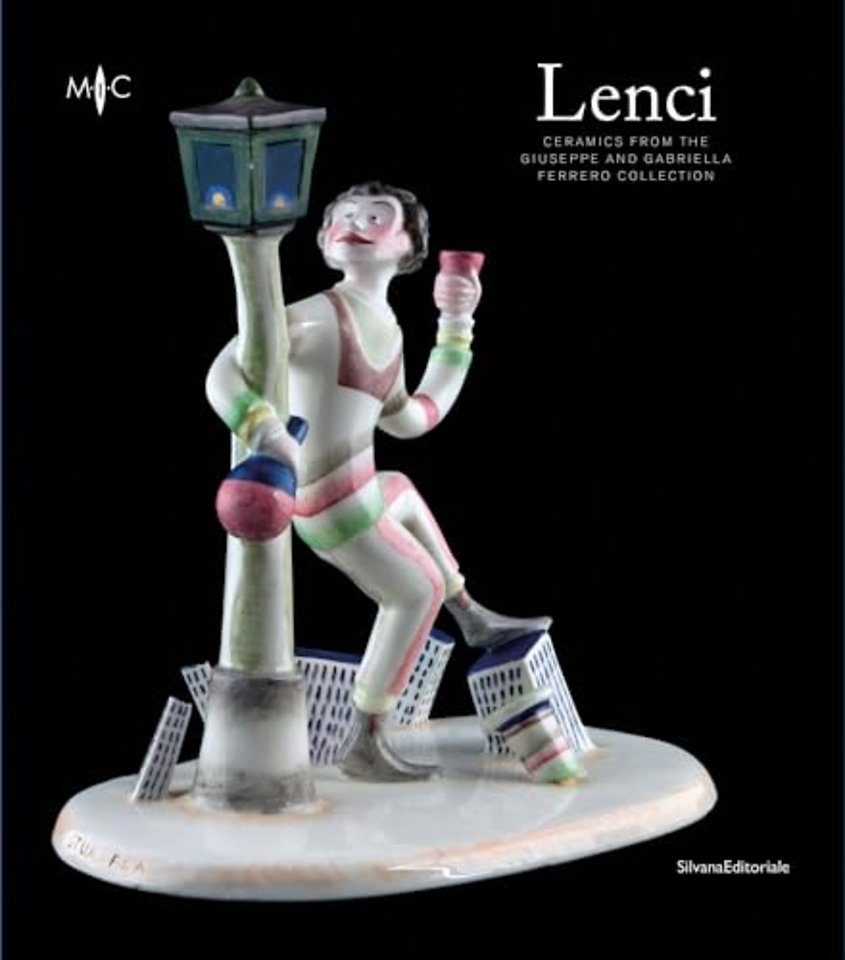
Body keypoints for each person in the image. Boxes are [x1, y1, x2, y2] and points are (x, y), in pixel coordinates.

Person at [206, 182, 550, 780]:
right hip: (330, 505)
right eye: (343, 216)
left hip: (360, 490)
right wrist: (264, 428)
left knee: (403, 490)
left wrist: (456, 324)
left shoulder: (386, 327)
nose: (354, 223)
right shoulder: (317, 315)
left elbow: (410, 418)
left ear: (409, 246)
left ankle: (470, 612)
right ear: (324, 240)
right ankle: (366, 737)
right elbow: (223, 371)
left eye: (374, 217)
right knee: (415, 591)